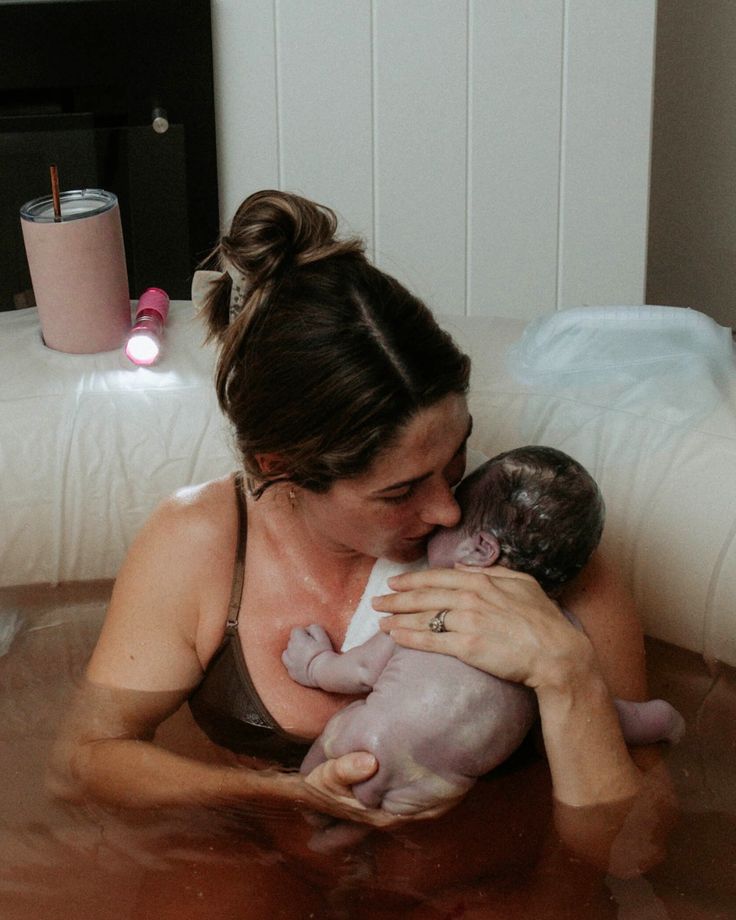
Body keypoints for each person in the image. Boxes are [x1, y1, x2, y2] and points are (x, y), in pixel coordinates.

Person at [48, 190, 676, 918]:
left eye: (458, 453)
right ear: (277, 464)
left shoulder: (541, 554)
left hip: (487, 888)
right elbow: (85, 761)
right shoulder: (202, 546)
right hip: (273, 865)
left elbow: (634, 849)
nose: (446, 509)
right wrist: (281, 793)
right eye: (399, 491)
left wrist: (565, 676)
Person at [282, 446, 683, 850]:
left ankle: (313, 832)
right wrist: (660, 719)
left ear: (479, 550)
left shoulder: (432, 597)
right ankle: (339, 840)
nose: (444, 516)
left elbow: (364, 670)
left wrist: (316, 664)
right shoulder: (559, 633)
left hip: (360, 738)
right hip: (439, 787)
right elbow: (601, 719)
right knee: (381, 817)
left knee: (314, 795)